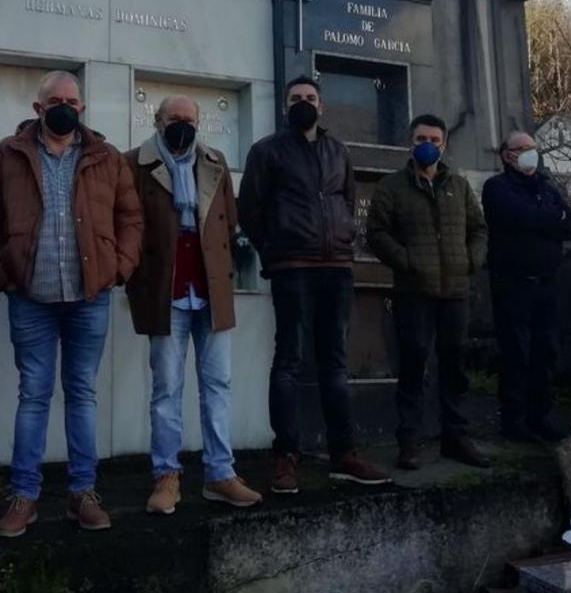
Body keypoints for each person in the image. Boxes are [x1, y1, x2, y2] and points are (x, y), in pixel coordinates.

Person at [0, 71, 143, 537]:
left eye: (72, 100)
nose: (64, 106)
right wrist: (3, 275)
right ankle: (23, 496)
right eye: (55, 100)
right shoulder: (8, 154)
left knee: (82, 394)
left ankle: (82, 493)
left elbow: (131, 217)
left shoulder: (106, 157)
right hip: (31, 299)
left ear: (82, 108)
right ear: (38, 107)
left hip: (90, 298)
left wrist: (118, 267)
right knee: (34, 396)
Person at [239, 75, 391, 495]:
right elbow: (249, 209)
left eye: (310, 98)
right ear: (286, 106)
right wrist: (273, 251)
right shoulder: (266, 151)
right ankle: (286, 456)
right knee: (288, 360)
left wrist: (343, 243)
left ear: (321, 107)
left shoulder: (338, 151)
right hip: (292, 267)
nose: (303, 103)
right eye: (296, 98)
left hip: (336, 267)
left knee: (335, 363)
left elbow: (344, 199)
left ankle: (345, 453)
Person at [125, 95, 263, 515]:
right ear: (157, 120)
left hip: (211, 288)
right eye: (174, 119)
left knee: (218, 385)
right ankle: (166, 476)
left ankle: (220, 473)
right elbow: (128, 225)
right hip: (164, 288)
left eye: (189, 119)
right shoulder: (134, 163)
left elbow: (229, 221)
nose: (182, 125)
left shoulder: (215, 159)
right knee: (166, 389)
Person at [365, 114, 489, 471]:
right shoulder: (391, 187)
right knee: (413, 364)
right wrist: (407, 261)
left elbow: (478, 229)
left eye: (435, 139)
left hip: (455, 291)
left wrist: (471, 260)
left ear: (444, 144)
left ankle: (455, 436)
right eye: (422, 138)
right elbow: (377, 233)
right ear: (410, 140)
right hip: (414, 292)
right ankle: (410, 440)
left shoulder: (460, 187)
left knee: (454, 366)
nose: (428, 145)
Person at [481, 131, 571, 442]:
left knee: (545, 352)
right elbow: (518, 216)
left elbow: (570, 224)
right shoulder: (497, 187)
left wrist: (546, 219)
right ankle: (514, 420)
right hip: (513, 283)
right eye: (521, 149)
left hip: (547, 282)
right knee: (516, 353)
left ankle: (540, 416)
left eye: (532, 148)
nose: (528, 153)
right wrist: (549, 219)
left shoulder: (547, 187)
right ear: (507, 155)